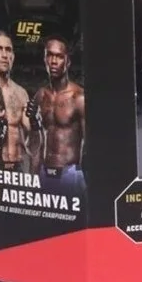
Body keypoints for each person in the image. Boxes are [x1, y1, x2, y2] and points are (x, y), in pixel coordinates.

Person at [32, 36, 85, 191]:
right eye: (49, 55)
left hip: (70, 173)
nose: (54, 61)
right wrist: (34, 176)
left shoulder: (79, 97)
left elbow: (90, 144)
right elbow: (35, 141)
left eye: (59, 56)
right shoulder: (40, 95)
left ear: (67, 62)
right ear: (44, 59)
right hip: (44, 173)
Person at [0, 30, 38, 171]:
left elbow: (33, 141)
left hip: (18, 167)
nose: (4, 55)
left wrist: (35, 123)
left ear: (13, 56)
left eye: (8, 50)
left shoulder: (21, 93)